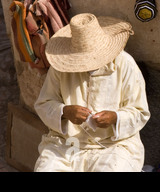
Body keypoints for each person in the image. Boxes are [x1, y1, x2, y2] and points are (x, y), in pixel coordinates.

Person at [33, 13, 150, 172]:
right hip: (66, 144)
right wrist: (65, 111)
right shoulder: (61, 66)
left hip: (113, 146)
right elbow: (43, 104)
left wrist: (115, 118)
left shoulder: (125, 64)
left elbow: (140, 112)